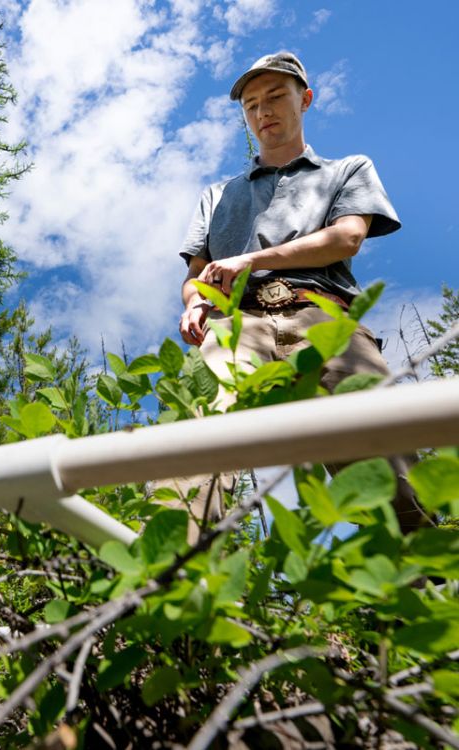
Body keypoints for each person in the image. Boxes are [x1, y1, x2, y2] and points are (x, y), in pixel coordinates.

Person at [168, 51, 431, 539]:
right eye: (251, 105)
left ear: (304, 99)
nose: (263, 111)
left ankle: (425, 593)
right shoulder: (216, 195)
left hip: (324, 317)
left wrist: (251, 260)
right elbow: (197, 274)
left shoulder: (347, 170)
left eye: (275, 97)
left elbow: (346, 237)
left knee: (384, 457)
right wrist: (195, 301)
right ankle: (169, 587)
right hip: (235, 325)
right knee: (195, 436)